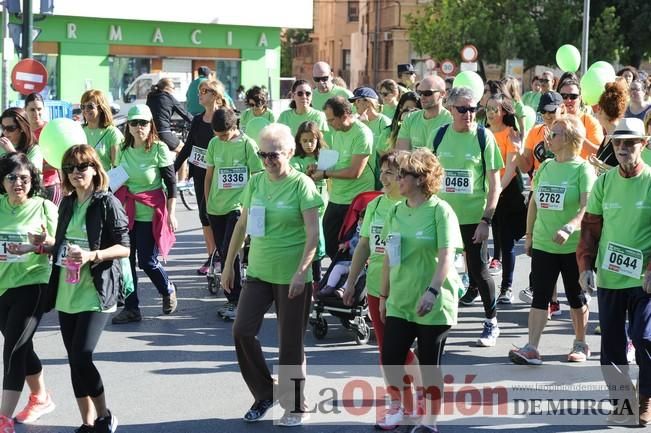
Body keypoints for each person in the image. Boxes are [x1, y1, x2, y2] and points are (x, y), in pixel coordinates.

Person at [223, 123, 322, 426]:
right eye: (263, 154)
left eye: (274, 154)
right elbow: (242, 226)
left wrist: (301, 272)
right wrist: (229, 265)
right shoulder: (255, 183)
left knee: (289, 345)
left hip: (292, 275)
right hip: (259, 271)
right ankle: (265, 392)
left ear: (290, 152)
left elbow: (312, 235)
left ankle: (295, 405)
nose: (267, 160)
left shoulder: (302, 185)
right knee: (241, 330)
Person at [46, 144, 130, 433]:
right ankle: (87, 421)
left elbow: (124, 248)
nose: (75, 173)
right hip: (67, 290)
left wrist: (93, 255)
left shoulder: (107, 203)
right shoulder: (67, 203)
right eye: (69, 168)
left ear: (95, 169)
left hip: (96, 289)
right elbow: (61, 246)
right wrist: (42, 246)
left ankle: (105, 415)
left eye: (82, 167)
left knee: (82, 355)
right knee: (74, 360)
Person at [379, 148, 463, 433]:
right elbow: (389, 255)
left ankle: (430, 422)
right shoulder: (394, 211)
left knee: (429, 365)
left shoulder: (441, 211)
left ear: (420, 179)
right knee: (391, 358)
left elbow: (447, 255)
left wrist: (433, 291)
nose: (397, 179)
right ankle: (404, 406)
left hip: (433, 303)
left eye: (403, 175)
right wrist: (383, 294)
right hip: (400, 300)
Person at [577, 117, 651, 426]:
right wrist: (585, 266)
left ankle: (645, 399)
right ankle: (622, 403)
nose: (623, 147)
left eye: (630, 142)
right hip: (609, 277)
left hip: (644, 279)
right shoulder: (604, 182)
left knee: (645, 339)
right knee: (611, 346)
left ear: (643, 145)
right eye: (618, 142)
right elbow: (591, 228)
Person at [342, 150, 423, 427]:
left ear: (406, 177)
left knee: (397, 349)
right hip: (378, 287)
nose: (385, 178)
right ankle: (401, 405)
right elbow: (364, 245)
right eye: (383, 172)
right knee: (385, 350)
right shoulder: (375, 206)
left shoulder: (418, 206)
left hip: (407, 288)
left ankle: (421, 391)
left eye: (392, 172)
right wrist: (351, 282)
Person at [509, 116, 595, 365]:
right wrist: (529, 235)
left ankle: (580, 343)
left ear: (569, 139)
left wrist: (570, 227)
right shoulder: (545, 166)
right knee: (540, 297)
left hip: (572, 246)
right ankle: (532, 347)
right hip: (544, 244)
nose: (548, 138)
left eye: (554, 134)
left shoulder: (582, 169)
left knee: (576, 297)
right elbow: (534, 202)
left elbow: (587, 207)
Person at [433, 86, 504, 347]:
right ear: (451, 109)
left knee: (479, 270)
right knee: (436, 268)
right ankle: (435, 321)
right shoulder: (439, 135)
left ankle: (491, 322)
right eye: (463, 109)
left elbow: (495, 185)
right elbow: (429, 176)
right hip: (442, 217)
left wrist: (487, 220)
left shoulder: (484, 137)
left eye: (474, 109)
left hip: (474, 218)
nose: (469, 114)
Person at [0, 153, 57, 432]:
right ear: (3, 180)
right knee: (22, 346)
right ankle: (41, 397)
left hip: (33, 283)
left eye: (24, 178)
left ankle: (3, 419)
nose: (18, 183)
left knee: (13, 350)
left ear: (32, 180)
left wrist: (45, 242)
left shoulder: (44, 206)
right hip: (1, 287)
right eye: (12, 177)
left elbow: (61, 244)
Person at [112, 105, 178, 324]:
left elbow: (171, 183)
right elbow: (116, 180)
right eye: (134, 123)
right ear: (128, 126)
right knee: (126, 262)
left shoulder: (159, 148)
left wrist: (172, 213)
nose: (139, 127)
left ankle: (167, 288)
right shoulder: (121, 149)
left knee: (147, 262)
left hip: (151, 213)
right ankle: (132, 308)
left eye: (143, 123)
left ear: (151, 125)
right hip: (126, 213)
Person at [204, 108, 263, 320]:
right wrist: (206, 202)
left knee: (231, 249)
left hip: (238, 207)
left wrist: (252, 206)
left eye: (223, 134)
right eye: (216, 134)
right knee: (222, 251)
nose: (219, 138)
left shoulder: (248, 145)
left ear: (234, 127)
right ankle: (233, 297)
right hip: (215, 207)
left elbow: (258, 176)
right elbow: (209, 175)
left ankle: (236, 300)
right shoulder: (213, 144)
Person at [311, 96, 375, 259]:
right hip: (337, 198)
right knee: (331, 247)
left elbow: (355, 172)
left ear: (345, 115)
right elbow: (337, 163)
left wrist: (325, 174)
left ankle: (349, 284)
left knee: (350, 252)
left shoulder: (362, 134)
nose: (329, 123)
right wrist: (318, 168)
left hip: (355, 202)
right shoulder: (338, 132)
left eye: (332, 120)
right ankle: (334, 283)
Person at [175, 80, 226, 275]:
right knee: (204, 216)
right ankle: (212, 256)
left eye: (204, 91)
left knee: (219, 216)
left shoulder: (225, 118)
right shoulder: (197, 120)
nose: (200, 95)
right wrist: (173, 169)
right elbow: (188, 147)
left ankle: (223, 255)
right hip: (199, 174)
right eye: (199, 91)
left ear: (215, 94)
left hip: (220, 175)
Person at [485, 94, 526, 304]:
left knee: (507, 240)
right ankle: (477, 284)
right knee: (494, 236)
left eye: (495, 109)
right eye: (488, 109)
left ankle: (506, 287)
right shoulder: (482, 133)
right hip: (486, 191)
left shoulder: (511, 134)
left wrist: (497, 190)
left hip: (507, 193)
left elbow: (511, 168)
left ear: (504, 112)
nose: (491, 113)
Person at [290, 121, 328, 292]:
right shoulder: (296, 160)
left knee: (319, 246)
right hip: (304, 212)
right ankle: (303, 279)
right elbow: (296, 179)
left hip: (323, 211)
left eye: (312, 140)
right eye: (304, 141)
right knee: (306, 244)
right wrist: (308, 174)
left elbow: (332, 173)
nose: (308, 144)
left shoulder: (324, 157)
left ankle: (317, 283)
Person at [396, 76, 452, 150]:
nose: (422, 97)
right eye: (419, 93)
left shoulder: (451, 120)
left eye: (427, 93)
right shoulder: (410, 119)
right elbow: (402, 153)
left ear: (442, 94)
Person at [24, 93, 61, 205]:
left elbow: (59, 161)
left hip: (50, 185)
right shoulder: (22, 131)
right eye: (32, 109)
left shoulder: (50, 130)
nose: (36, 113)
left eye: (39, 109)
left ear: (44, 109)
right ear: (25, 109)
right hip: (28, 187)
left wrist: (36, 168)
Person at [557, 80, 603, 158]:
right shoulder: (554, 119)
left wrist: (578, 137)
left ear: (580, 99)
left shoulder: (590, 121)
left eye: (573, 96)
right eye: (564, 96)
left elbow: (599, 153)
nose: (568, 100)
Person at [81, 90, 124, 172]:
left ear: (101, 108)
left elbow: (118, 167)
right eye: (83, 106)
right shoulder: (79, 131)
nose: (85, 110)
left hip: (104, 182)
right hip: (83, 182)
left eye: (90, 106)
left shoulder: (112, 133)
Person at [146, 78, 192, 153]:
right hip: (163, 133)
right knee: (183, 150)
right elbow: (185, 114)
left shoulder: (150, 96)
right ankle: (179, 165)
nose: (174, 90)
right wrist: (197, 122)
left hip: (150, 134)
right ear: (167, 88)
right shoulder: (169, 97)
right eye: (173, 88)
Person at [349, 87, 391, 163]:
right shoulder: (357, 121)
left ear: (368, 102)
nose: (354, 104)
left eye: (357, 101)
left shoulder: (384, 122)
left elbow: (387, 152)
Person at [594, 80, 630, 170]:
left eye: (598, 108)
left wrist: (601, 164)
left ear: (601, 109)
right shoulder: (609, 135)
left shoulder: (619, 137)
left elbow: (626, 171)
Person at [0, 108, 42, 172]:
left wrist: (12, 153)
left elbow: (34, 174)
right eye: (3, 127)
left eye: (11, 128)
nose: (5, 132)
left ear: (22, 128)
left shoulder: (33, 149)